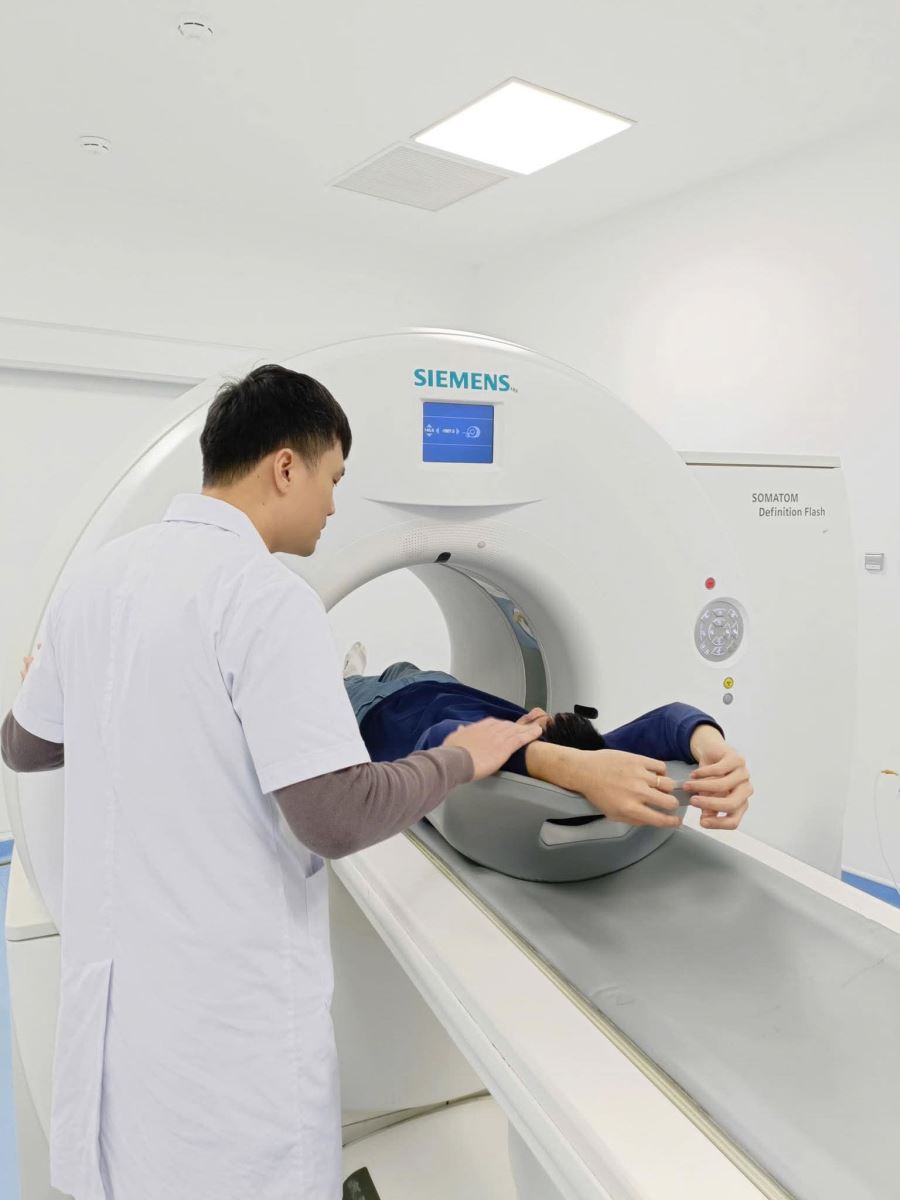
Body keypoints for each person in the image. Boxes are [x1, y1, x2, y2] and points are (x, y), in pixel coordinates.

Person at [0, 364, 546, 1200]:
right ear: (285, 466)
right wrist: (462, 758)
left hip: (126, 1014)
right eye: (333, 479)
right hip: (226, 1030)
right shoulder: (264, 597)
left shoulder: (99, 580)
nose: (333, 506)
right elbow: (334, 815)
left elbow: (24, 745)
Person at [342, 648, 753, 828]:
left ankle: (348, 673)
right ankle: (376, 667)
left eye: (543, 723)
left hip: (376, 707)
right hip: (445, 685)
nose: (537, 713)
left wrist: (564, 761)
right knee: (404, 666)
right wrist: (716, 751)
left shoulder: (484, 756)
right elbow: (670, 721)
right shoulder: (594, 755)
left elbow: (443, 737)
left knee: (351, 683)